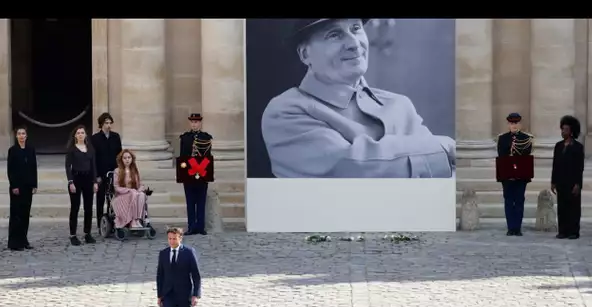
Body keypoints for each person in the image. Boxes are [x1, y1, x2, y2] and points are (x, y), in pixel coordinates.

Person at [260, 18, 455, 178]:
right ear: (305, 54)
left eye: (356, 28)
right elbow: (349, 168)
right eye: (334, 35)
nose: (354, 43)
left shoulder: (400, 105)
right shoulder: (285, 111)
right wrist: (444, 147)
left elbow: (443, 180)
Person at [496, 112, 534, 236]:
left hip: (521, 175)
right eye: (512, 123)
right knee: (508, 201)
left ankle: (517, 228)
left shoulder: (526, 139)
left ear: (520, 124)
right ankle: (510, 227)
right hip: (507, 175)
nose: (514, 125)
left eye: (516, 123)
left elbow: (525, 156)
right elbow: (502, 157)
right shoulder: (502, 138)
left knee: (519, 201)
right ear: (508, 124)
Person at [156, 227, 201, 307]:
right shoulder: (163, 253)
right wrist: (159, 296)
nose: (172, 241)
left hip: (184, 295)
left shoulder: (188, 252)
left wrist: (196, 295)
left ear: (180, 238)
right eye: (170, 239)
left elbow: (196, 275)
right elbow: (160, 276)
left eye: (174, 238)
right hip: (168, 294)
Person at [551, 115, 585, 240]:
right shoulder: (558, 146)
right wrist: (553, 182)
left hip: (572, 182)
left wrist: (578, 184)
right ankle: (563, 231)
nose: (562, 132)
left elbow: (579, 167)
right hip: (561, 182)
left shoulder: (578, 147)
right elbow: (555, 165)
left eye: (565, 130)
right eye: (562, 129)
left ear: (571, 132)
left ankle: (573, 231)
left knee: (574, 208)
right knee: (562, 207)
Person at [179, 113, 213, 235]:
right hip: (189, 174)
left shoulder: (206, 137)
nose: (194, 124)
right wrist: (182, 174)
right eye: (192, 122)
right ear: (190, 123)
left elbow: (208, 158)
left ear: (200, 123)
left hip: (201, 173)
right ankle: (191, 226)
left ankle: (200, 227)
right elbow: (182, 157)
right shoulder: (185, 137)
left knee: (201, 201)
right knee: (190, 201)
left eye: (197, 122)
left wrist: (207, 174)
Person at [65, 125, 98, 246]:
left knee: (88, 208)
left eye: (82, 133)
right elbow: (68, 166)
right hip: (76, 179)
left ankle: (87, 233)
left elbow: (94, 165)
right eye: (78, 133)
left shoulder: (90, 148)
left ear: (85, 135)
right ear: (75, 135)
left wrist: (95, 181)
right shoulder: (71, 149)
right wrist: (70, 182)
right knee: (75, 207)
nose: (80, 135)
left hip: (88, 179)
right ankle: (73, 235)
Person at [6, 126, 38, 251]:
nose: (21, 136)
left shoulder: (31, 150)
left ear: (26, 136)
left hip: (28, 186)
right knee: (16, 215)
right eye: (19, 133)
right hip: (16, 187)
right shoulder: (12, 150)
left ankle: (24, 240)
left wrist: (35, 184)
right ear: (16, 136)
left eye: (23, 133)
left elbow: (34, 168)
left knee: (25, 214)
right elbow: (10, 170)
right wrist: (14, 185)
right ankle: (15, 242)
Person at [91, 112, 122, 230]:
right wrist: (96, 176)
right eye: (106, 123)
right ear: (101, 124)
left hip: (114, 173)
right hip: (101, 174)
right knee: (100, 199)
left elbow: (120, 155)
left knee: (113, 199)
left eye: (110, 123)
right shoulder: (95, 138)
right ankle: (101, 224)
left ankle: (114, 222)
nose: (109, 125)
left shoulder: (115, 137)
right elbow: (94, 159)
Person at [112, 149, 147, 228]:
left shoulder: (134, 171)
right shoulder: (117, 171)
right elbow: (116, 187)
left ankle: (137, 219)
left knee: (141, 195)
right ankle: (132, 221)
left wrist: (139, 190)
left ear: (132, 159)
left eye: (129, 157)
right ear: (121, 159)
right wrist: (129, 190)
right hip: (122, 196)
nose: (127, 160)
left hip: (134, 193)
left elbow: (140, 184)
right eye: (125, 158)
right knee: (134, 194)